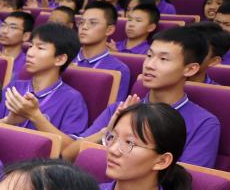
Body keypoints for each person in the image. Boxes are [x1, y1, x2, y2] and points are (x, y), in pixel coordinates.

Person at [64, 27, 220, 169]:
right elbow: (68, 155)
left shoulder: (203, 123)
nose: (149, 65)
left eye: (163, 59)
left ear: (190, 69)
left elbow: (186, 180)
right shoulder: (121, 108)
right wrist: (108, 131)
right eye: (149, 55)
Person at [0, 23, 89, 137]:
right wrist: (8, 121)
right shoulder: (14, 87)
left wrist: (35, 116)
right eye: (31, 46)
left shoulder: (72, 99)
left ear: (60, 59)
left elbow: (71, 146)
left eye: (40, 48)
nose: (30, 53)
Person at [74, 1, 133, 95]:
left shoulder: (118, 69)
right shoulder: (65, 59)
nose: (84, 27)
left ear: (109, 30)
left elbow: (115, 103)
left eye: (93, 23)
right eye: (81, 22)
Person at [0, 10, 33, 79]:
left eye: (13, 27)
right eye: (3, 25)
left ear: (26, 36)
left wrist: (3, 67)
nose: (4, 31)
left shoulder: (27, 65)